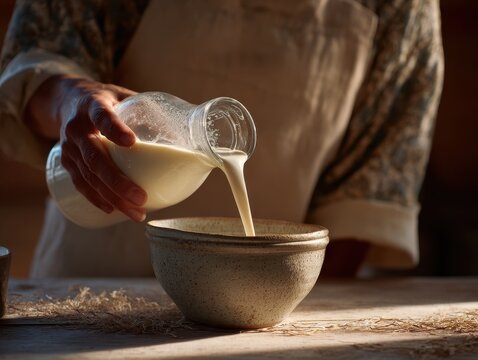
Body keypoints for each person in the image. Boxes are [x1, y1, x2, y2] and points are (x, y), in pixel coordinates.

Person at [0, 0, 443, 277]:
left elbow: (359, 208)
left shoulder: (401, 9)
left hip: (264, 325)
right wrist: (69, 98)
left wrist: (278, 313)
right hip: (91, 295)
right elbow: (35, 56)